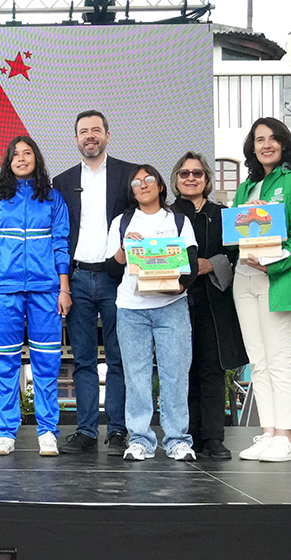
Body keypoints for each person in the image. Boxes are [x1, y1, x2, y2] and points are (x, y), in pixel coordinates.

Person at [0, 136, 71, 457]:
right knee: (5, 364)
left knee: (47, 363)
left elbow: (61, 244)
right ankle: (6, 432)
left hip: (46, 291)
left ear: (37, 159)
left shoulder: (53, 199)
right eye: (15, 154)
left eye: (27, 153)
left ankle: (47, 432)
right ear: (7, 162)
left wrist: (64, 288)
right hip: (3, 291)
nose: (21, 158)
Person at [51, 110, 135, 456]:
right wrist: (64, 285)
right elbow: (57, 234)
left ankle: (117, 431)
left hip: (117, 278)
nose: (90, 136)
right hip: (78, 278)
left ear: (107, 135)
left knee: (118, 358)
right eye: (83, 132)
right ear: (76, 139)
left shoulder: (128, 174)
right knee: (83, 359)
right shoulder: (62, 181)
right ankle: (85, 430)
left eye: (96, 130)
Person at [232, 117, 291, 463]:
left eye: (272, 138)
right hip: (243, 278)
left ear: (284, 143)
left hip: (276, 279)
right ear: (252, 146)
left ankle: (288, 438)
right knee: (258, 362)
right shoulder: (246, 184)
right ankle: (268, 432)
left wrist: (273, 264)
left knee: (278, 360)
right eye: (259, 139)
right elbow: (236, 232)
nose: (265, 144)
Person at [106, 165, 199, 461]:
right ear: (131, 191)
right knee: (136, 377)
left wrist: (178, 287)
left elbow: (192, 266)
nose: (143, 185)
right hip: (131, 309)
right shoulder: (122, 222)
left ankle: (177, 440)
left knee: (175, 375)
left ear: (160, 186)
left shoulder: (179, 221)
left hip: (171, 307)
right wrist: (125, 248)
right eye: (136, 182)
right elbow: (111, 267)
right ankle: (140, 439)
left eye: (149, 180)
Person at [170, 153, 247, 460]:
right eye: (185, 173)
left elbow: (236, 254)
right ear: (175, 179)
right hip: (175, 301)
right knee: (182, 372)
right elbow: (157, 255)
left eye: (197, 173)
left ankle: (214, 437)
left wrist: (208, 265)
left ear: (207, 179)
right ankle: (186, 437)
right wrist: (187, 267)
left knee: (212, 370)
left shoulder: (223, 214)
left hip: (214, 300)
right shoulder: (167, 216)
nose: (191, 178)